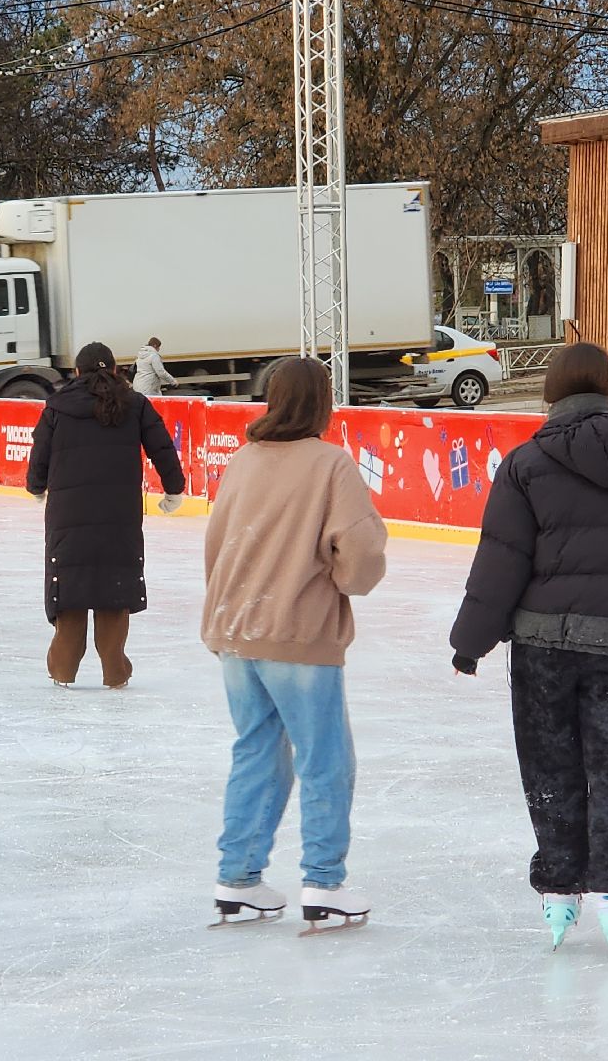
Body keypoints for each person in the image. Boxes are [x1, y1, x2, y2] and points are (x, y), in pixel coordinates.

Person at [449, 342, 608, 961]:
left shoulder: (526, 463)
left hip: (542, 645)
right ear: (607, 388)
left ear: (551, 392)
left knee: (550, 769)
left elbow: (502, 558)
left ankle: (558, 892)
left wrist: (471, 641)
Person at [202, 358, 387, 933]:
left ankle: (237, 879)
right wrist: (344, 580)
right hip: (298, 634)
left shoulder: (243, 460)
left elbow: (217, 543)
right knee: (324, 758)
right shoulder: (330, 464)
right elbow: (361, 552)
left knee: (256, 751)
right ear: (321, 403)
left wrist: (226, 612)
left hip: (237, 630)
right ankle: (324, 883)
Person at [27, 342, 185, 688]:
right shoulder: (136, 404)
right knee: (114, 589)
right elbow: (163, 448)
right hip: (120, 514)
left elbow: (40, 453)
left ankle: (63, 671)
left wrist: (36, 486)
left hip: (68, 515)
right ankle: (115, 672)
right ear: (115, 369)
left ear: (77, 372)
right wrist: (174, 490)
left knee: (70, 589)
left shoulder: (57, 406)